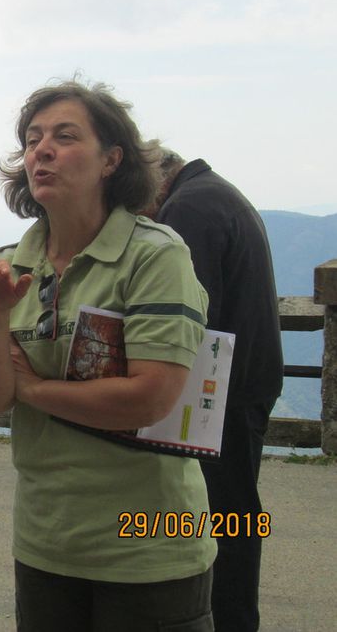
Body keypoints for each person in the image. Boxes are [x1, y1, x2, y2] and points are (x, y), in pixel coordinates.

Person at [0, 80, 216, 632]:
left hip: (149, 547)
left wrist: (31, 390)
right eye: (32, 139)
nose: (41, 150)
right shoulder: (12, 262)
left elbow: (151, 396)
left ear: (111, 160)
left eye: (65, 136)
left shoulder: (154, 254)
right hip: (46, 542)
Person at [150, 149, 282, 632]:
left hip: (221, 395)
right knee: (236, 515)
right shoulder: (216, 193)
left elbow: (186, 313)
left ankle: (228, 620)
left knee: (222, 522)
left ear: (153, 181)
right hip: (248, 380)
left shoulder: (187, 209)